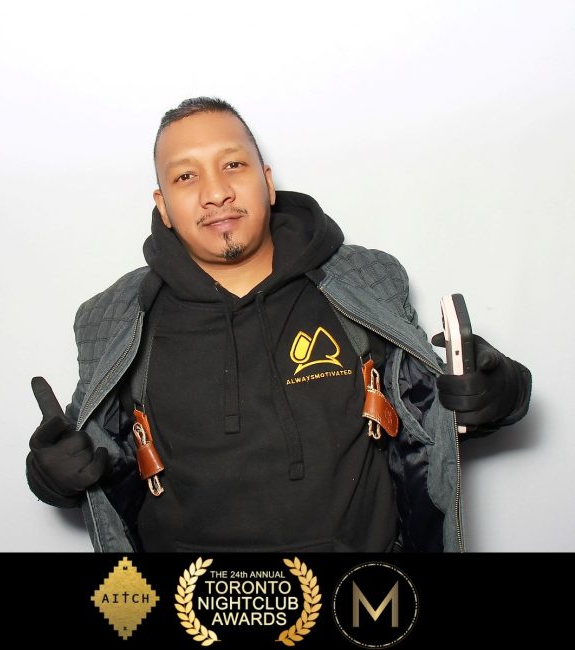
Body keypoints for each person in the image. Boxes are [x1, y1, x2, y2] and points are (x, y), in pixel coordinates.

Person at [26, 97, 531, 552]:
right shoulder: (115, 315)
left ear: (267, 182)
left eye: (233, 165)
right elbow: (89, 454)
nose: (216, 192)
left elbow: (429, 419)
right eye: (186, 177)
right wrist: (52, 476)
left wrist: (501, 393)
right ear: (164, 207)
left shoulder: (365, 281)